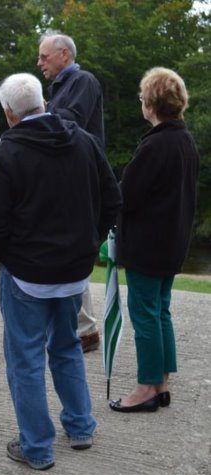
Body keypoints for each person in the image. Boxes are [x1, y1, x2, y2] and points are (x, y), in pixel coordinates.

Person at [0, 73, 121, 470]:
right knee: (67, 345)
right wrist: (88, 243)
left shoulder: (7, 153)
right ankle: (80, 427)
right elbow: (112, 200)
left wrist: (10, 255)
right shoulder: (85, 143)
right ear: (44, 102)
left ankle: (36, 447)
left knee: (25, 359)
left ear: (9, 113)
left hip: (26, 273)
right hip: (73, 269)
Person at [109, 68, 199, 413]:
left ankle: (146, 386)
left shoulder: (157, 144)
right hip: (172, 243)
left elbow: (127, 196)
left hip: (148, 245)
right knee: (160, 312)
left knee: (145, 314)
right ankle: (161, 381)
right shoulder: (184, 141)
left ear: (151, 103)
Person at [38, 31, 104, 352]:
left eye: (44, 57)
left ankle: (86, 328)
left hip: (80, 179)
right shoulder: (61, 87)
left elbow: (69, 122)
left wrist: (36, 116)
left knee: (73, 247)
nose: (40, 63)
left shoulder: (84, 81)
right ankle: (83, 326)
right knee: (69, 247)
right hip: (66, 177)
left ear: (64, 54)